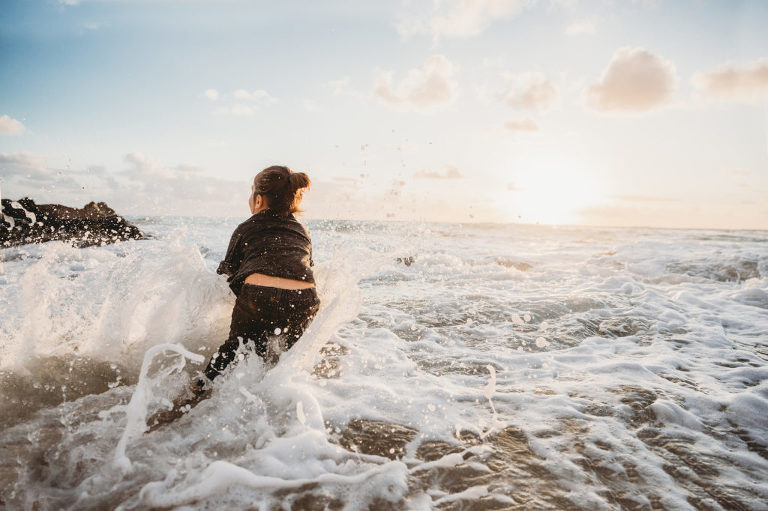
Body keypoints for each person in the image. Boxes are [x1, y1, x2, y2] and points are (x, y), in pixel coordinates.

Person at [195, 165, 320, 393]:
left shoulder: (246, 228)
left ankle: (198, 390)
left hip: (259, 295)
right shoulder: (302, 231)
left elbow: (226, 273)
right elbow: (305, 264)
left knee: (233, 349)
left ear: (259, 200)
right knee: (288, 356)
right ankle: (286, 398)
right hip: (305, 297)